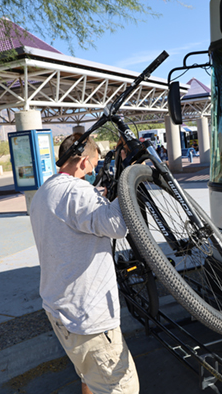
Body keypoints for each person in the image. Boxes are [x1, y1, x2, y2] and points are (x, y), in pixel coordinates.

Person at [29, 133, 139, 394]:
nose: (94, 171)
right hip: (88, 319)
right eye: (94, 165)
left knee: (89, 376)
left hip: (60, 311)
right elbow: (118, 225)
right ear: (83, 162)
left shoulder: (45, 191)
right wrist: (129, 178)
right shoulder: (77, 191)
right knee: (122, 388)